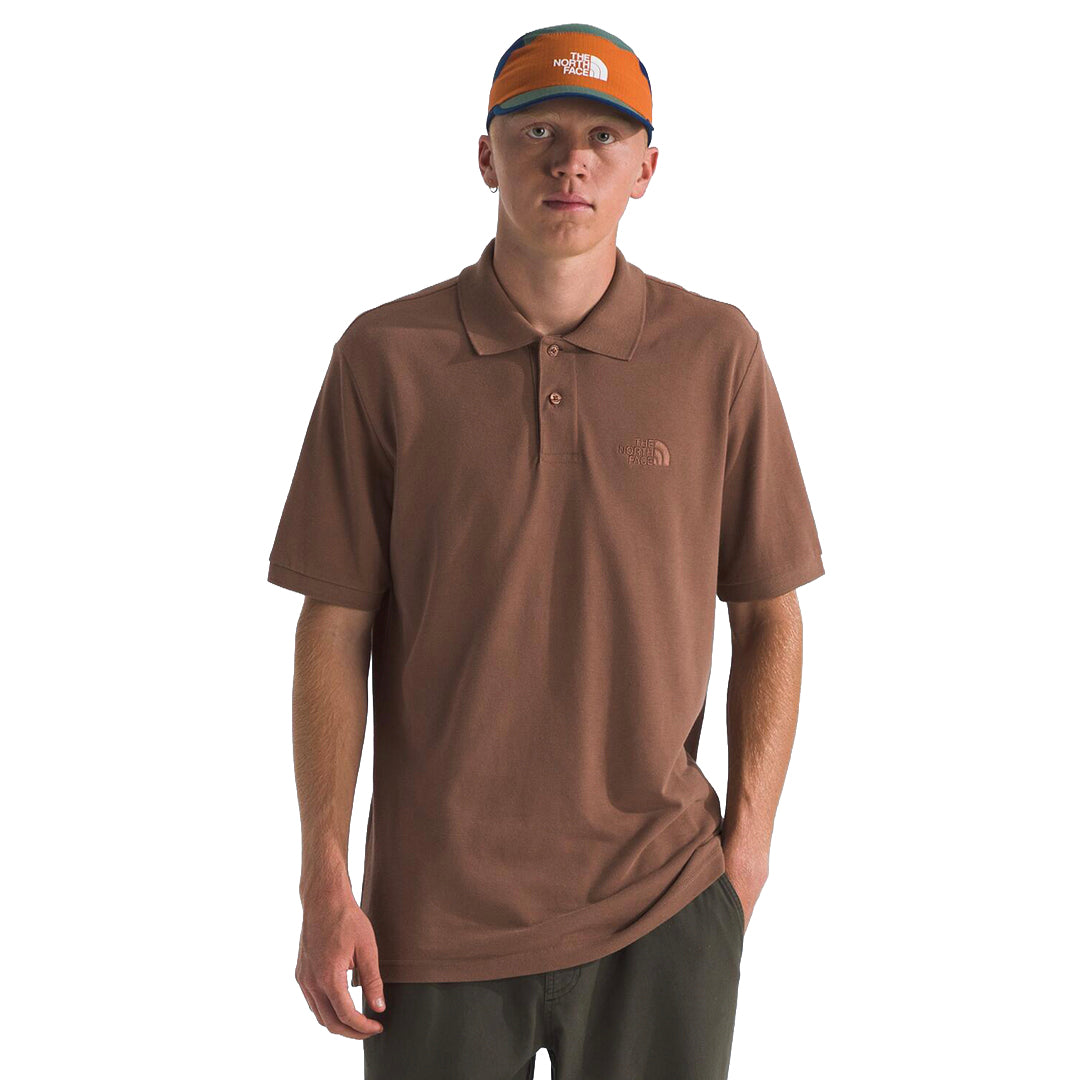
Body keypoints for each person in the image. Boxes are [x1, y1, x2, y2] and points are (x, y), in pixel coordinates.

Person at [266, 22, 825, 1079]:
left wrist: (745, 854)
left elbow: (770, 612)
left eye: (604, 137)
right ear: (487, 157)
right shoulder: (385, 358)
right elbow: (332, 625)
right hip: (430, 922)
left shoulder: (717, 352)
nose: (571, 161)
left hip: (664, 903)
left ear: (646, 169)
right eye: (538, 132)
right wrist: (322, 879)